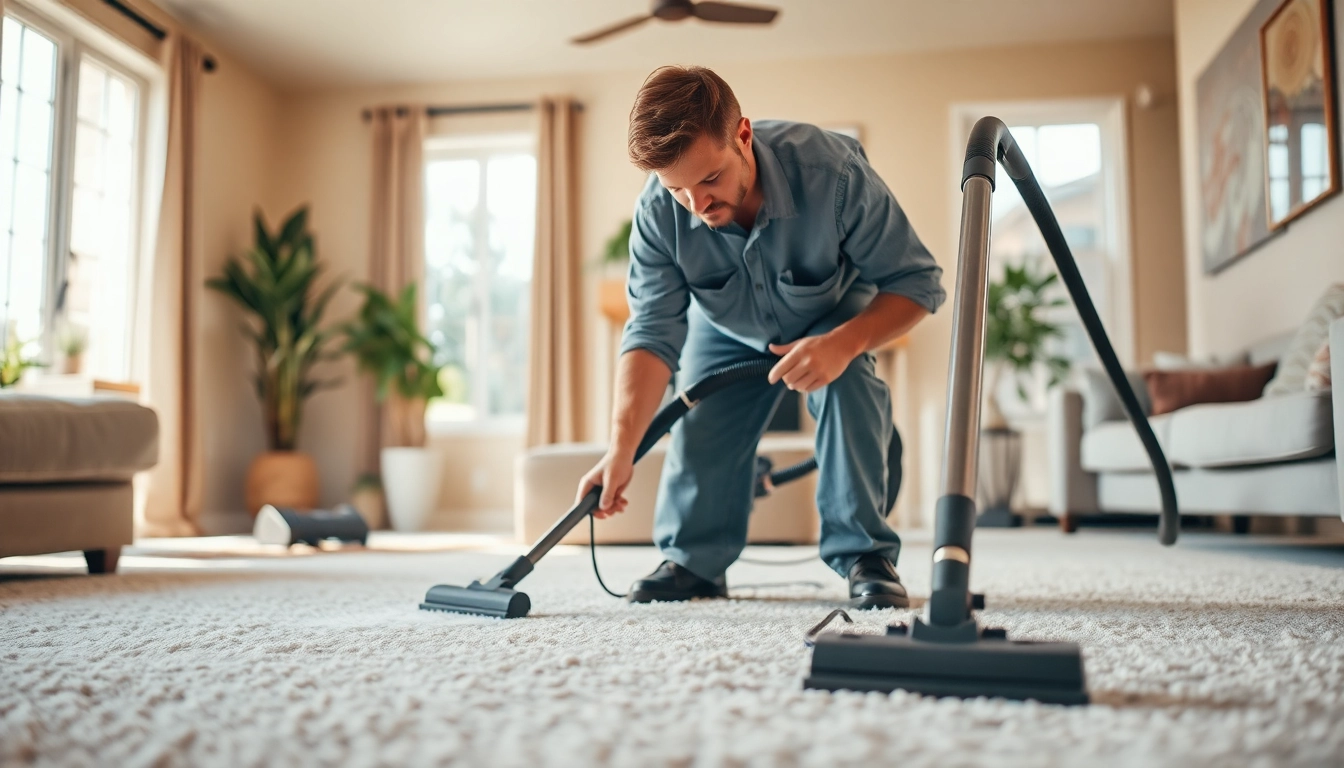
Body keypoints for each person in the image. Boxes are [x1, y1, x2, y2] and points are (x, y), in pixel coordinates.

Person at [577, 65, 945, 609]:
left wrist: (843, 344)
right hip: (724, 327)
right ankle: (693, 562)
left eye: (709, 180)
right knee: (699, 410)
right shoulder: (659, 214)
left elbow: (917, 282)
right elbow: (651, 332)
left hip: (830, 314)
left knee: (846, 384)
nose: (697, 208)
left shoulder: (833, 173)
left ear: (743, 136)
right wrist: (622, 448)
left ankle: (866, 556)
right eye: (678, 190)